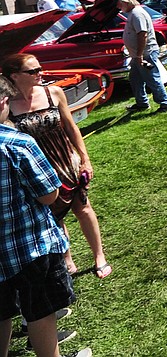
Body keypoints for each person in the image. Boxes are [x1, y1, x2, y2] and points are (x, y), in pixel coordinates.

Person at [0, 75, 92, 357]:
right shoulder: (18, 144)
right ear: (3, 102)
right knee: (40, 311)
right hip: (31, 248)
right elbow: (49, 195)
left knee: (2, 312)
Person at [3, 54, 110, 281]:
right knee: (53, 215)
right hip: (38, 166)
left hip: (66, 159)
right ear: (14, 76)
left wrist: (85, 158)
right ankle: (67, 260)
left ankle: (99, 255)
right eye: (33, 71)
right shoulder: (6, 106)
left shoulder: (54, 93)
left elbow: (72, 128)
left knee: (83, 207)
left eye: (40, 68)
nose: (40, 73)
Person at [117, 0, 167, 114]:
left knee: (152, 78)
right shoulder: (133, 13)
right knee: (135, 78)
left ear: (127, 3)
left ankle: (166, 104)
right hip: (138, 54)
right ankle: (142, 103)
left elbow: (142, 34)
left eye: (120, 5)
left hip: (145, 53)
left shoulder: (137, 14)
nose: (119, 7)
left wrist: (139, 55)